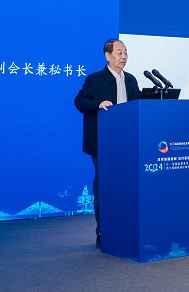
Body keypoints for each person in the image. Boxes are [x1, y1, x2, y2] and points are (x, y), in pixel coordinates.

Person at [73, 39, 140, 247]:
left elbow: (138, 107)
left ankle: (125, 228)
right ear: (107, 56)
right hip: (102, 144)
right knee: (104, 187)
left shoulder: (131, 80)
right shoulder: (95, 80)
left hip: (128, 144)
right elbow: (79, 102)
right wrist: (98, 104)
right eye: (119, 53)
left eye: (125, 52)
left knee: (126, 186)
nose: (124, 57)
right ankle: (103, 231)